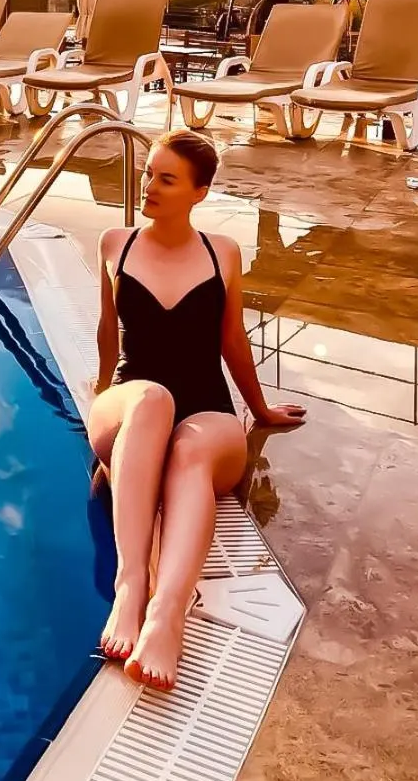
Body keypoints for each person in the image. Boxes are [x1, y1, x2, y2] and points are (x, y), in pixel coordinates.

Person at [89, 129, 305, 690]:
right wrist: (100, 401)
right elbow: (107, 332)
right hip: (135, 403)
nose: (149, 187)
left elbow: (232, 338)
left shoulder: (222, 252)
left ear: (199, 192)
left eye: (166, 179)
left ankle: (167, 612)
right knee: (153, 398)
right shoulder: (116, 242)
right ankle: (132, 583)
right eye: (148, 175)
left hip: (207, 411)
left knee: (188, 449)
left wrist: (258, 408)